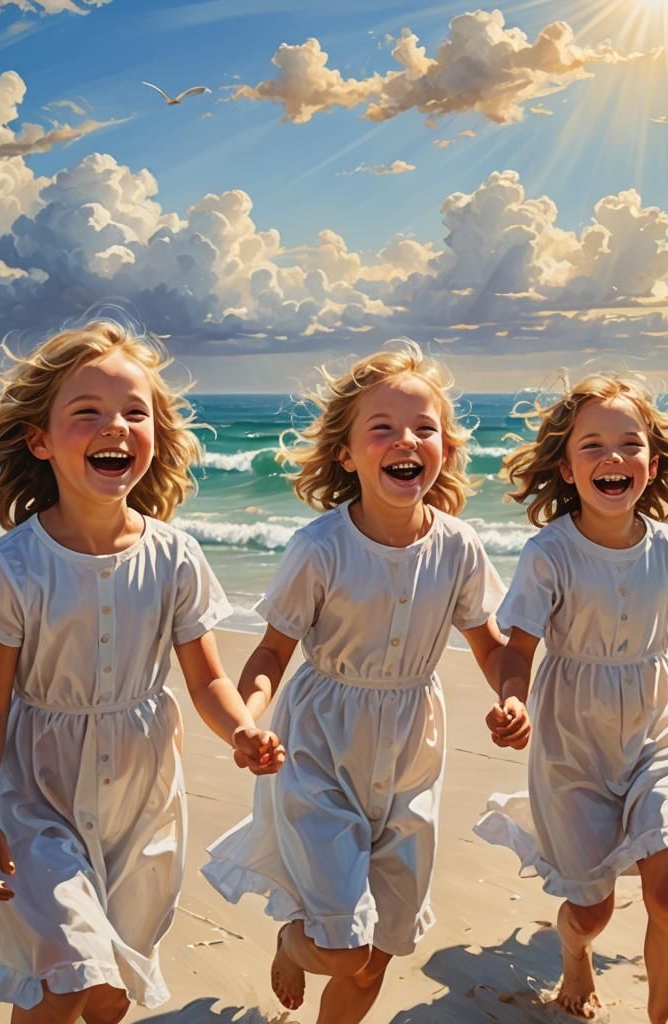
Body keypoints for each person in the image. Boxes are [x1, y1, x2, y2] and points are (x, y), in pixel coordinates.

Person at [0, 321, 284, 1024]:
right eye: (88, 412)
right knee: (68, 970)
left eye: (135, 412)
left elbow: (207, 682)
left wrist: (242, 730)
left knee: (107, 993)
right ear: (41, 440)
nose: (116, 426)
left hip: (143, 800)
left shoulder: (176, 556)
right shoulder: (16, 566)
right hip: (35, 796)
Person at [474, 374, 668, 1024]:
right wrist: (513, 700)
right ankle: (575, 955)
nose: (613, 458)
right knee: (589, 908)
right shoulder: (549, 554)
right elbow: (519, 647)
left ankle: (663, 1015)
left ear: (652, 462)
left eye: (630, 444)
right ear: (566, 466)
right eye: (593, 446)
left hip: (656, 738)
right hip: (572, 749)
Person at [203, 343, 507, 1024]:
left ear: (446, 449)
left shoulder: (459, 547)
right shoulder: (320, 548)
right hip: (319, 750)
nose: (407, 440)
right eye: (383, 428)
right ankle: (292, 942)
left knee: (381, 952)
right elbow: (271, 653)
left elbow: (493, 647)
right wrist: (249, 720)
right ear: (347, 454)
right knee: (343, 947)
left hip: (413, 756)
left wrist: (511, 696)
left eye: (424, 428)